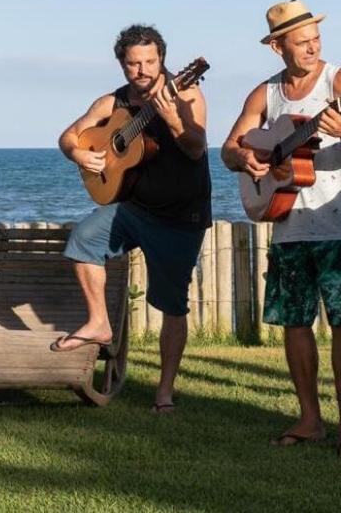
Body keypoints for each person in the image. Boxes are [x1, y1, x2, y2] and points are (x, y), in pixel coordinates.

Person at [221, 0, 341, 460]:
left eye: (316, 39)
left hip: (339, 225)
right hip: (287, 222)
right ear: (277, 47)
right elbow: (229, 148)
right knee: (295, 323)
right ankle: (310, 418)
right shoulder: (265, 94)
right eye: (302, 42)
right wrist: (247, 158)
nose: (312, 47)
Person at [56, 24, 210, 414]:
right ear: (122, 65)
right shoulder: (113, 102)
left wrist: (173, 119)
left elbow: (195, 147)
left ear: (162, 60)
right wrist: (80, 155)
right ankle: (98, 323)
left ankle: (164, 392)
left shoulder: (186, 91)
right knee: (83, 241)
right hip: (133, 208)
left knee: (171, 305)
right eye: (133, 64)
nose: (142, 70)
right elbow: (69, 136)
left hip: (180, 214)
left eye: (149, 62)